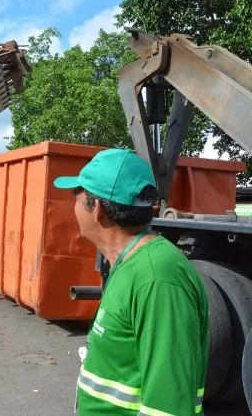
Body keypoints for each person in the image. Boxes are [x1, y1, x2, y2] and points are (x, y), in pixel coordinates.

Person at [53, 148, 208, 416]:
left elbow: (167, 408)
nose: (73, 207)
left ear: (97, 209)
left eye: (75, 197)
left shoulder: (157, 278)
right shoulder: (131, 264)